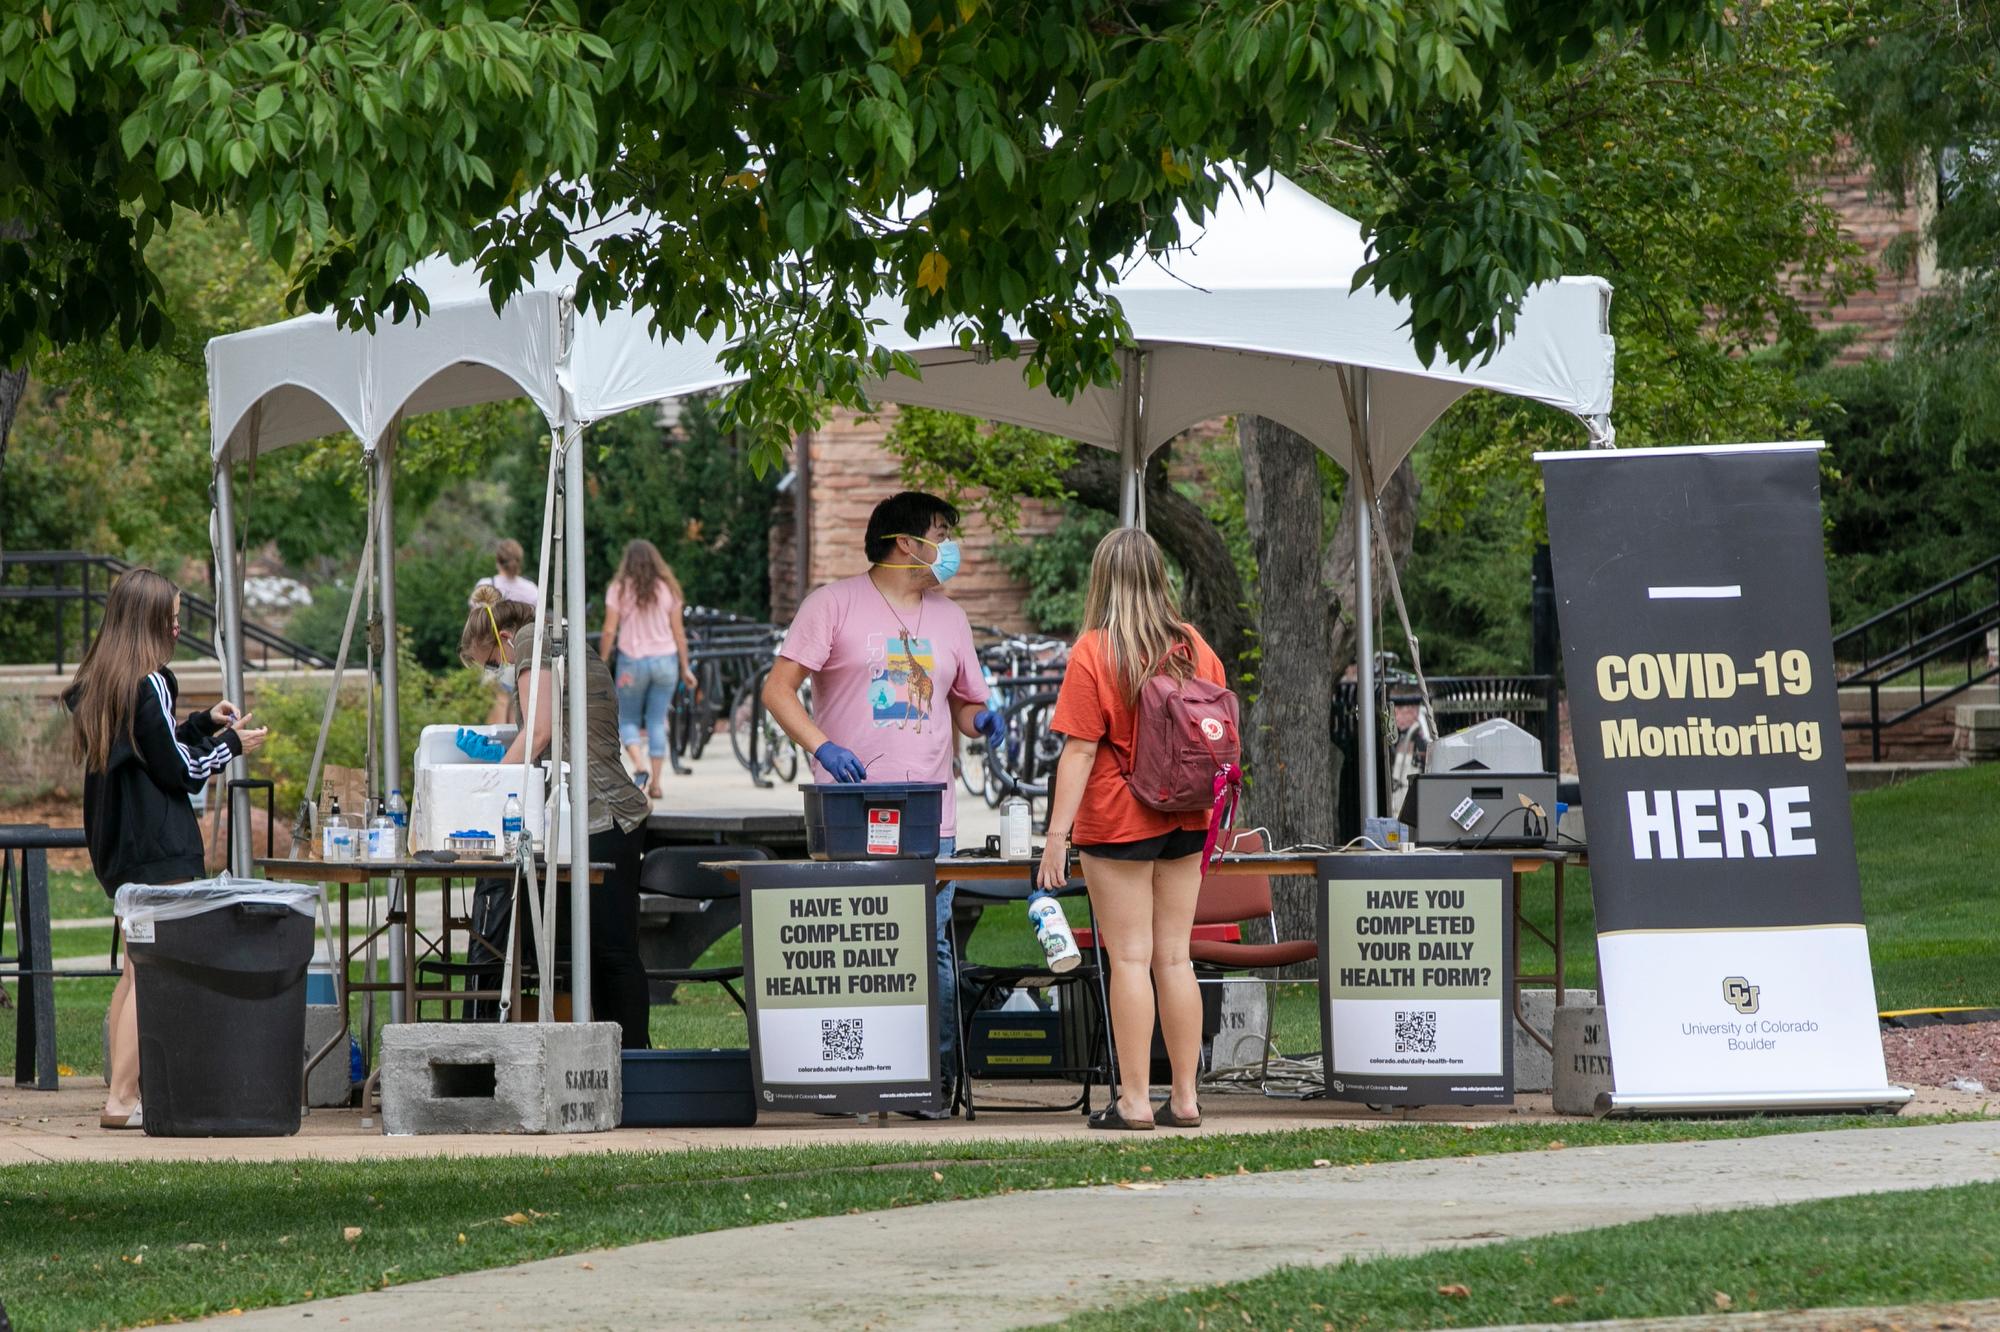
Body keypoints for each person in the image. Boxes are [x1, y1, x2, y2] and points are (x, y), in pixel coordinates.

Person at [762, 491, 1006, 1115]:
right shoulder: (832, 605)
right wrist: (823, 746)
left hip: (931, 816)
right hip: (848, 813)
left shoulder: (950, 617)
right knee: (854, 946)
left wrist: (984, 723)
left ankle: (933, 1081)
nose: (949, 547)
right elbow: (779, 690)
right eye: (942, 533)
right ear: (906, 543)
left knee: (933, 950)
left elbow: (964, 704)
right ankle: (850, 1080)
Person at [62, 568, 269, 1130]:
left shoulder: (104, 681)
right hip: (159, 849)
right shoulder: (149, 681)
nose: (178, 628)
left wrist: (202, 722)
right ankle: (124, 1098)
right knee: (151, 974)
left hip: (121, 847)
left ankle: (122, 1092)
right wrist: (228, 745)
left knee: (134, 970)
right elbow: (178, 771)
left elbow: (153, 745)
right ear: (149, 622)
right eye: (172, 618)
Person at [1036, 528, 1224, 1131]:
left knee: (1131, 960)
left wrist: (1056, 836)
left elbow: (1079, 752)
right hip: (1190, 816)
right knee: (1175, 959)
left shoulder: (1095, 650)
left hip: (1119, 819)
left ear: (1102, 580)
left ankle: (1136, 1101)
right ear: (1159, 576)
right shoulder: (1196, 646)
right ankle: (1187, 1099)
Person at [458, 583, 654, 1048]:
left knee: (611, 953)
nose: (498, 672)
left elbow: (539, 732)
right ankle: (621, 1058)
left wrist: (483, 790)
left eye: (491, 662)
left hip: (601, 813)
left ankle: (635, 1061)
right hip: (606, 811)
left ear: (503, 638)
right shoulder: (556, 633)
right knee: (607, 952)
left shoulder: (531, 641)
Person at [599, 539, 697, 799]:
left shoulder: (619, 589)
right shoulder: (668, 589)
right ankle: (656, 783)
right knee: (657, 721)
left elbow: (610, 629)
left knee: (627, 719)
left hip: (632, 662)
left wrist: (602, 660)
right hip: (666, 661)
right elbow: (679, 632)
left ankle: (639, 766)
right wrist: (685, 667)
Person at [475, 540, 540, 724]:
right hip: (521, 652)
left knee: (499, 700)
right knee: (518, 706)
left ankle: (496, 751)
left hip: (494, 653)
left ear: (497, 560)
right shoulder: (531, 590)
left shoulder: (486, 586)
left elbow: (476, 623)